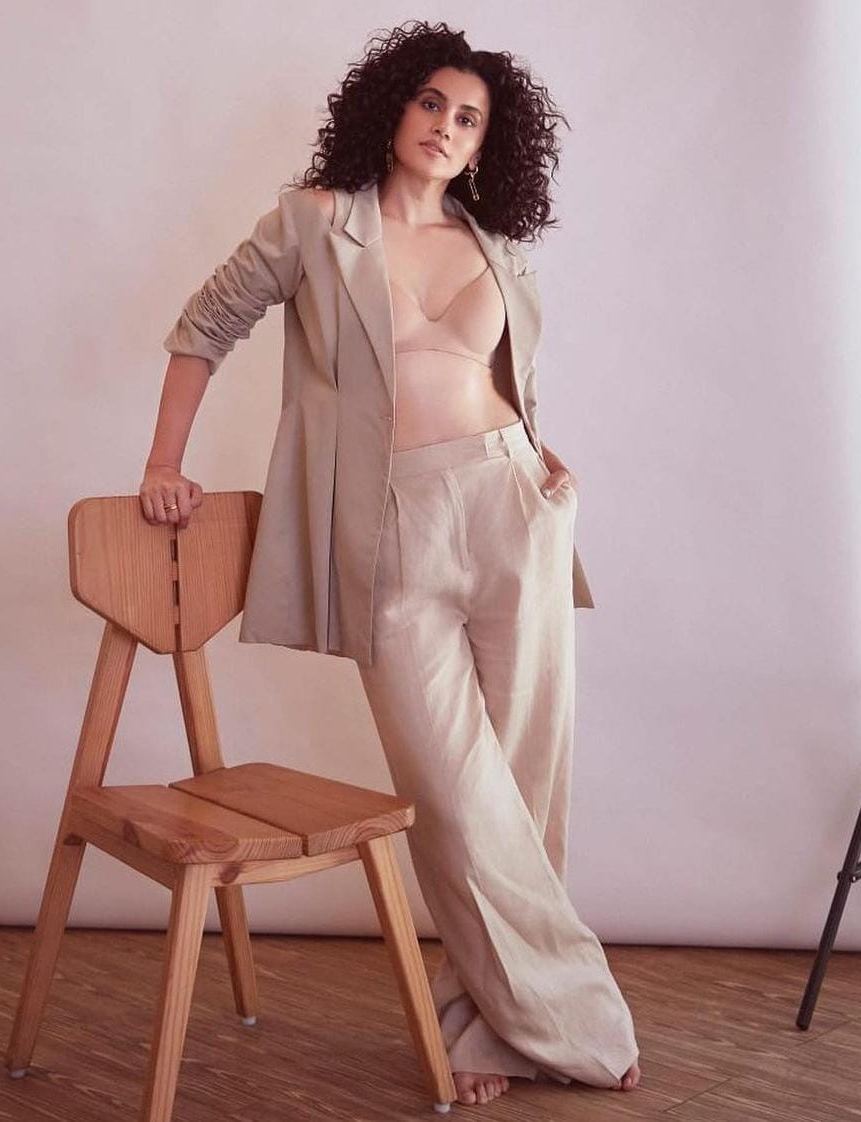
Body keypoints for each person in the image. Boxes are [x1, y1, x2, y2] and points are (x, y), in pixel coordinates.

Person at [140, 19, 640, 1108]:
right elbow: (204, 325)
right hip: (391, 528)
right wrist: (164, 462)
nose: (445, 127)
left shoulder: (494, 246)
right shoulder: (318, 222)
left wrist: (542, 456)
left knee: (524, 788)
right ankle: (573, 1018)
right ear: (393, 106)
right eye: (431, 104)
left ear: (486, 146)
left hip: (514, 507)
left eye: (469, 120)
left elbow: (498, 376)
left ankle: (489, 1024)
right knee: (456, 799)